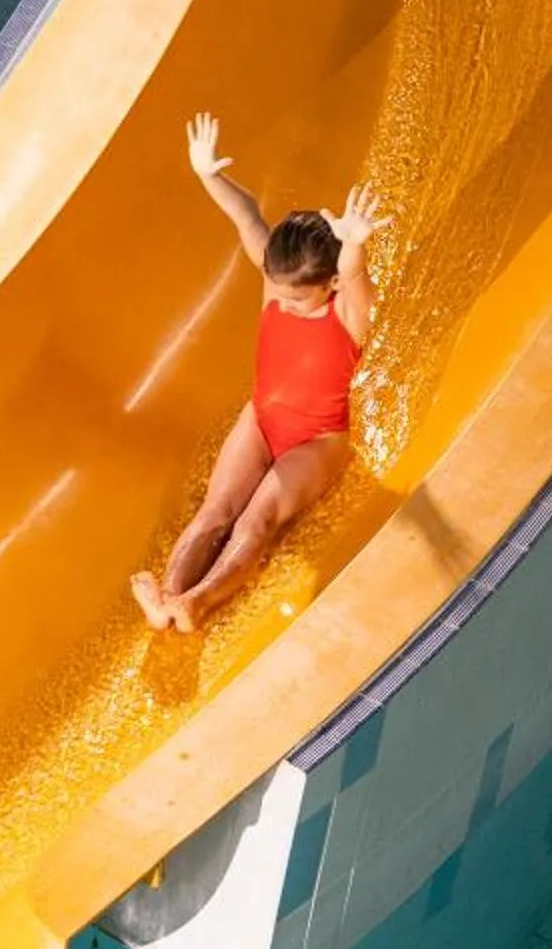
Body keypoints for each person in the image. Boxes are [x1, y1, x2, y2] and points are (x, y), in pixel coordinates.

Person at [132, 113, 388, 634]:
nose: (282, 301)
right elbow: (247, 217)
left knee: (256, 520)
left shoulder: (348, 312)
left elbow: (355, 272)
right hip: (261, 421)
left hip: (316, 441)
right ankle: (167, 600)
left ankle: (196, 603)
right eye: (277, 289)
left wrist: (355, 243)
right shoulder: (278, 279)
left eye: (296, 299)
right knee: (214, 513)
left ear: (330, 285)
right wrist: (209, 175)